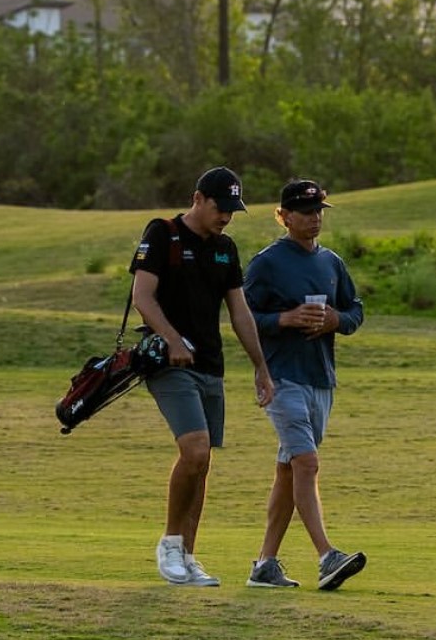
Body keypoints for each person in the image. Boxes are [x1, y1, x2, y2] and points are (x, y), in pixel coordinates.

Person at [131, 165, 275, 587]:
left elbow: (240, 312)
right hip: (170, 364)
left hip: (211, 365)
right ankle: (170, 545)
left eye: (232, 209)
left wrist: (261, 367)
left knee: (203, 462)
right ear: (198, 199)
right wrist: (173, 340)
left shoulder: (225, 248)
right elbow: (142, 297)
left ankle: (189, 557)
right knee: (193, 451)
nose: (226, 216)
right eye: (220, 207)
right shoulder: (163, 233)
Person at [242, 177, 366, 592]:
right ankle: (327, 556)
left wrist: (335, 320)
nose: (314, 219)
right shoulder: (267, 263)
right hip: (282, 378)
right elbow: (243, 317)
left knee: (289, 470)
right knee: (307, 464)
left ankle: (264, 565)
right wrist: (285, 319)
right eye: (305, 212)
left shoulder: (331, 262)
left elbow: (355, 310)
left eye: (318, 212)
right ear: (284, 216)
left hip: (320, 378)